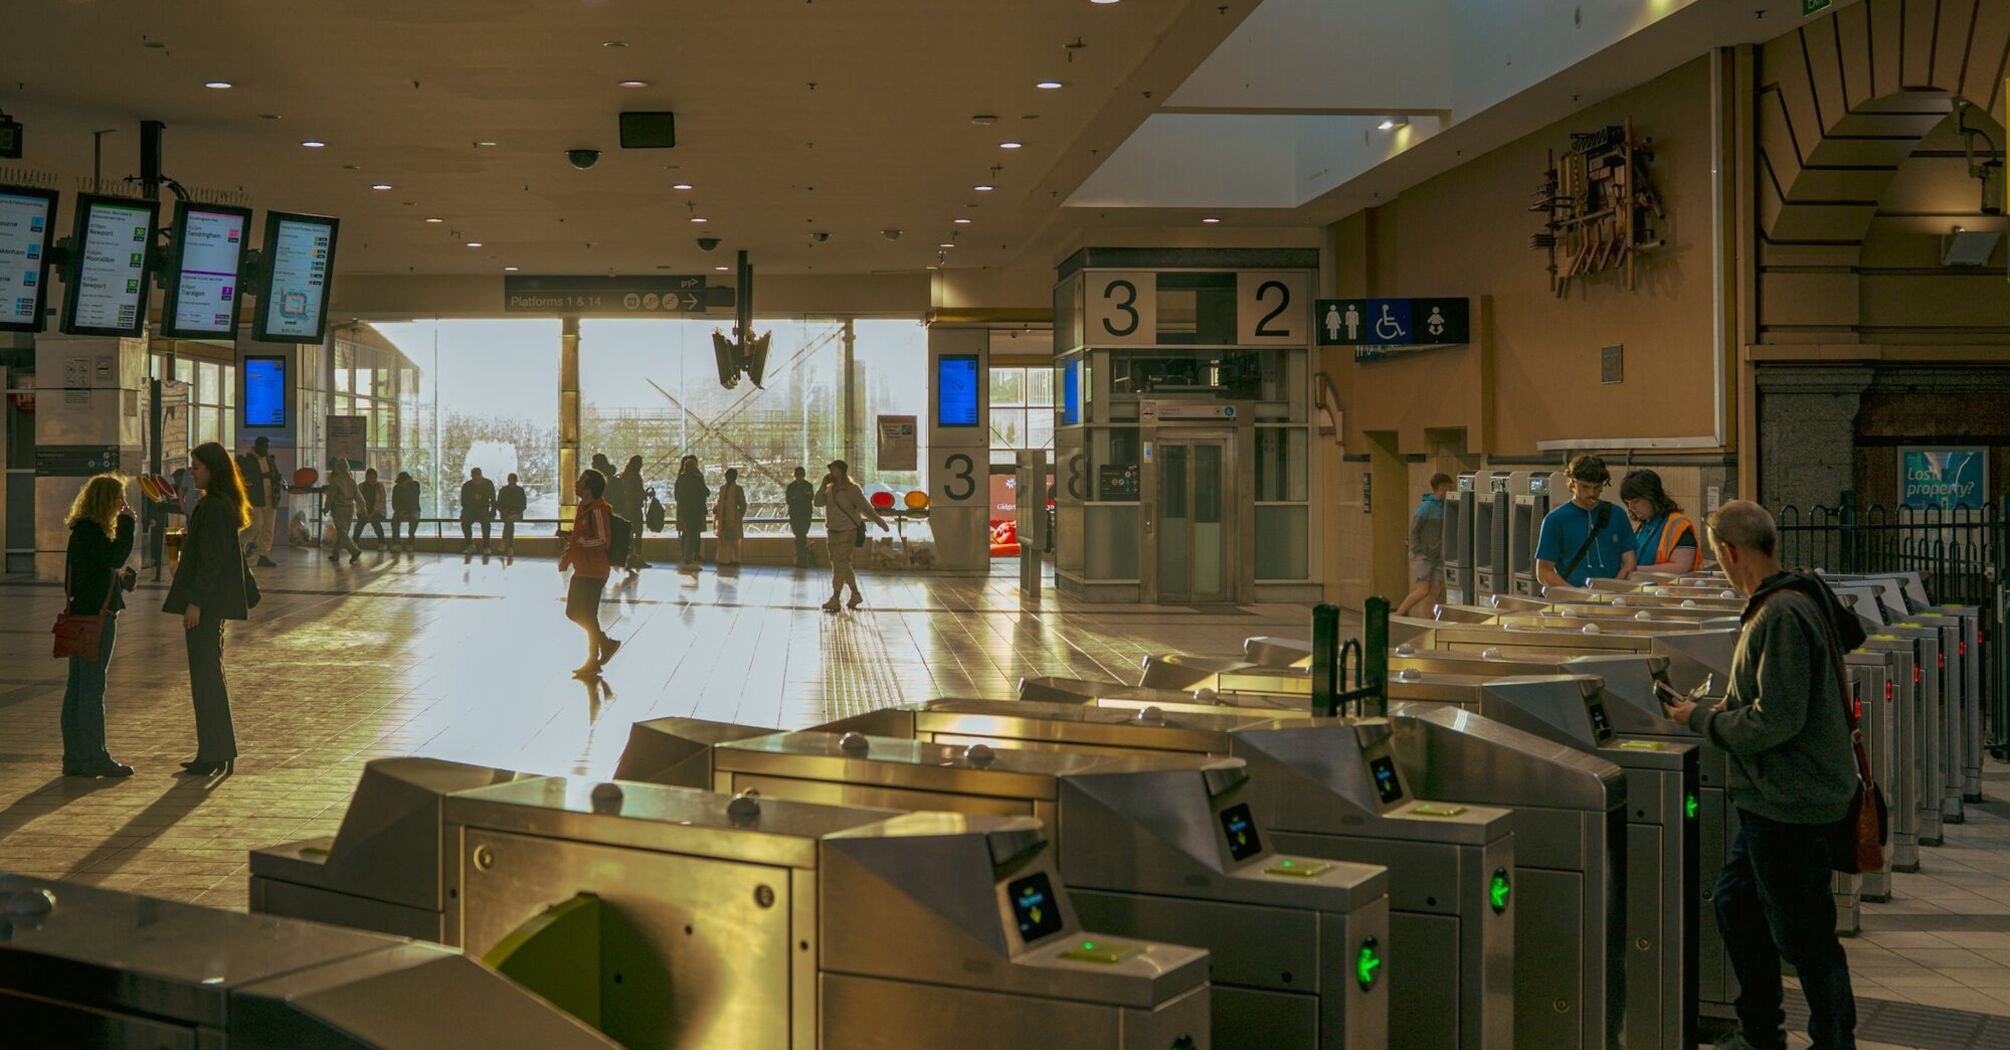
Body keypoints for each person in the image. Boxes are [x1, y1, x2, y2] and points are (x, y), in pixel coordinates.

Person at [1661, 502, 1861, 1050]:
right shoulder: (1793, 598)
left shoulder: (1780, 614)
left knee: (1805, 936)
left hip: (1790, 800)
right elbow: (1771, 695)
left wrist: (1700, 718)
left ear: (1729, 551)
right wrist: (1724, 703)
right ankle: (1758, 1032)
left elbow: (1780, 718)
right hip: (1773, 797)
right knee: (1736, 903)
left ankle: (1833, 1040)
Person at [162, 442, 250, 777]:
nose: (192, 472)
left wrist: (195, 601)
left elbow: (210, 561)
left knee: (205, 677)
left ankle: (213, 752)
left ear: (212, 469)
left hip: (205, 604)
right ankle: (218, 750)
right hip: (213, 603)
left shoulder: (212, 507)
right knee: (210, 674)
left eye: (197, 467)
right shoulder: (221, 505)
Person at [60, 474, 137, 777]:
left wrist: (118, 583)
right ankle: (94, 756)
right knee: (91, 688)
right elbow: (115, 556)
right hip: (96, 618)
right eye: (120, 498)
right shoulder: (92, 531)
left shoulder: (81, 531)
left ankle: (74, 757)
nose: (123, 504)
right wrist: (128, 525)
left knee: (77, 687)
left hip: (80, 614)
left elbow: (93, 571)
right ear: (107, 500)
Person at [1534, 454, 1637, 590]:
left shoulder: (1617, 515)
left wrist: (1613, 590)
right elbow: (1543, 571)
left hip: (1612, 597)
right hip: (1570, 600)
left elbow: (1630, 562)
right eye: (1585, 487)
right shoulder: (1555, 520)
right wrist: (1575, 593)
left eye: (1597, 487)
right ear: (1572, 482)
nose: (1591, 493)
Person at [558, 468, 621, 678]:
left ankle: (593, 658)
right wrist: (571, 540)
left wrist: (582, 543)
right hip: (583, 568)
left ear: (590, 488)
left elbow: (603, 540)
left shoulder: (597, 510)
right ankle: (604, 643)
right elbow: (581, 535)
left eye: (581, 482)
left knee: (586, 614)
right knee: (574, 612)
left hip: (594, 571)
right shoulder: (583, 507)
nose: (577, 484)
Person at [814, 459, 888, 612]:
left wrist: (880, 522)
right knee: (840, 564)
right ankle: (855, 594)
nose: (830, 473)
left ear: (841, 472)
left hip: (847, 532)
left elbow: (866, 507)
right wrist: (822, 486)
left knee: (840, 563)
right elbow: (817, 502)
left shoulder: (852, 490)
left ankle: (835, 598)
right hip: (832, 531)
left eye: (833, 470)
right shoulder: (829, 489)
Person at [1620, 469, 1701, 575]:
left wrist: (1633, 570)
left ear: (1652, 497)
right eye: (1628, 503)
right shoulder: (1639, 526)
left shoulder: (1678, 525)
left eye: (1635, 501)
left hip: (1667, 589)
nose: (1631, 507)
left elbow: (1682, 567)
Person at [1394, 473, 1453, 617]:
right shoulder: (1426, 506)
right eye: (1449, 487)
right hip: (1423, 555)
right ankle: (1397, 615)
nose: (1451, 491)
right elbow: (1414, 530)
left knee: (1436, 591)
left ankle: (1426, 622)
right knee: (1422, 590)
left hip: (1436, 555)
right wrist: (1417, 551)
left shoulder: (1444, 506)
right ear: (1442, 487)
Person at [236, 435, 284, 567]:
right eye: (264, 447)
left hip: (270, 498)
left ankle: (264, 555)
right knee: (256, 525)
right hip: (256, 499)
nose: (266, 449)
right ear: (257, 446)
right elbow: (248, 479)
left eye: (268, 447)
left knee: (268, 528)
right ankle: (238, 544)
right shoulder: (247, 461)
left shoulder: (269, 460)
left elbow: (275, 475)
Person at [614, 455, 650, 572]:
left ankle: (629, 556)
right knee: (638, 533)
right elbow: (635, 494)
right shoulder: (635, 477)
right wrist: (645, 495)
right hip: (634, 508)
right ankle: (637, 558)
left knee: (629, 534)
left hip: (626, 509)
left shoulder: (625, 476)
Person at [673, 456, 710, 568]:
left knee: (687, 532)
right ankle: (690, 557)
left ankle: (685, 556)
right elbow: (706, 492)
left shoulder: (680, 479)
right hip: (696, 509)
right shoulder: (697, 478)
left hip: (684, 510)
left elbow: (676, 495)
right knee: (693, 533)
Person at [324, 460, 362, 564]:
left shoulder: (335, 481)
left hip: (339, 508)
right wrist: (364, 507)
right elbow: (358, 496)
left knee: (342, 532)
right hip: (350, 508)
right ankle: (335, 554)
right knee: (343, 532)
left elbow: (330, 497)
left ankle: (354, 551)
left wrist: (326, 508)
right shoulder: (352, 481)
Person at [459, 467, 496, 555]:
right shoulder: (467, 486)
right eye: (475, 479)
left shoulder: (488, 484)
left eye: (478, 479)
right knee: (464, 521)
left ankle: (486, 546)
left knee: (486, 521)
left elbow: (493, 500)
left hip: (483, 509)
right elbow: (463, 501)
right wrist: (471, 504)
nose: (477, 481)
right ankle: (470, 545)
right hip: (470, 510)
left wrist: (493, 513)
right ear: (472, 477)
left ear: (481, 476)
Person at [715, 467, 748, 566]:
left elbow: (743, 504)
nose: (728, 478)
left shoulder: (738, 489)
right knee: (724, 540)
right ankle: (724, 560)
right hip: (723, 517)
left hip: (733, 517)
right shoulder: (722, 488)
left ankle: (735, 560)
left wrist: (738, 516)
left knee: (734, 540)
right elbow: (720, 502)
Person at [785, 466, 816, 568]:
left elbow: (810, 498)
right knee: (800, 535)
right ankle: (802, 558)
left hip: (805, 515)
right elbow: (789, 500)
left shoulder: (808, 486)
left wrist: (797, 499)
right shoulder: (791, 487)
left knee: (801, 535)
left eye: (800, 476)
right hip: (795, 515)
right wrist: (801, 498)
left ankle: (801, 558)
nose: (799, 478)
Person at [353, 467, 388, 550]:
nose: (372, 479)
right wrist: (363, 512)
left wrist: (372, 514)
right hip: (363, 512)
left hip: (378, 512)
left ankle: (382, 542)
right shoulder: (361, 486)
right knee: (360, 522)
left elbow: (382, 502)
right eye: (370, 477)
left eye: (374, 477)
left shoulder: (380, 486)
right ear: (367, 477)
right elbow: (358, 501)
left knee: (375, 521)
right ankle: (355, 542)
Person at [497, 472, 528, 558]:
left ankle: (504, 543)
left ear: (515, 481)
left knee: (509, 521)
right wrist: (505, 511)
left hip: (516, 514)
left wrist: (516, 511)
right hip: (506, 514)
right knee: (509, 522)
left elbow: (523, 505)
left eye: (513, 481)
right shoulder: (503, 490)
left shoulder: (520, 491)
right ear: (508, 481)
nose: (511, 483)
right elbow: (499, 504)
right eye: (510, 481)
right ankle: (510, 547)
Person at [391, 471, 421, 553]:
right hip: (400, 510)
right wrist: (399, 511)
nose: (402, 485)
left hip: (413, 510)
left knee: (414, 518)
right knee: (394, 521)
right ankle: (396, 543)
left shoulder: (415, 486)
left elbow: (414, 501)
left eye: (403, 482)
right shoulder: (396, 488)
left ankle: (410, 543)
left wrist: (406, 512)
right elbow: (394, 502)